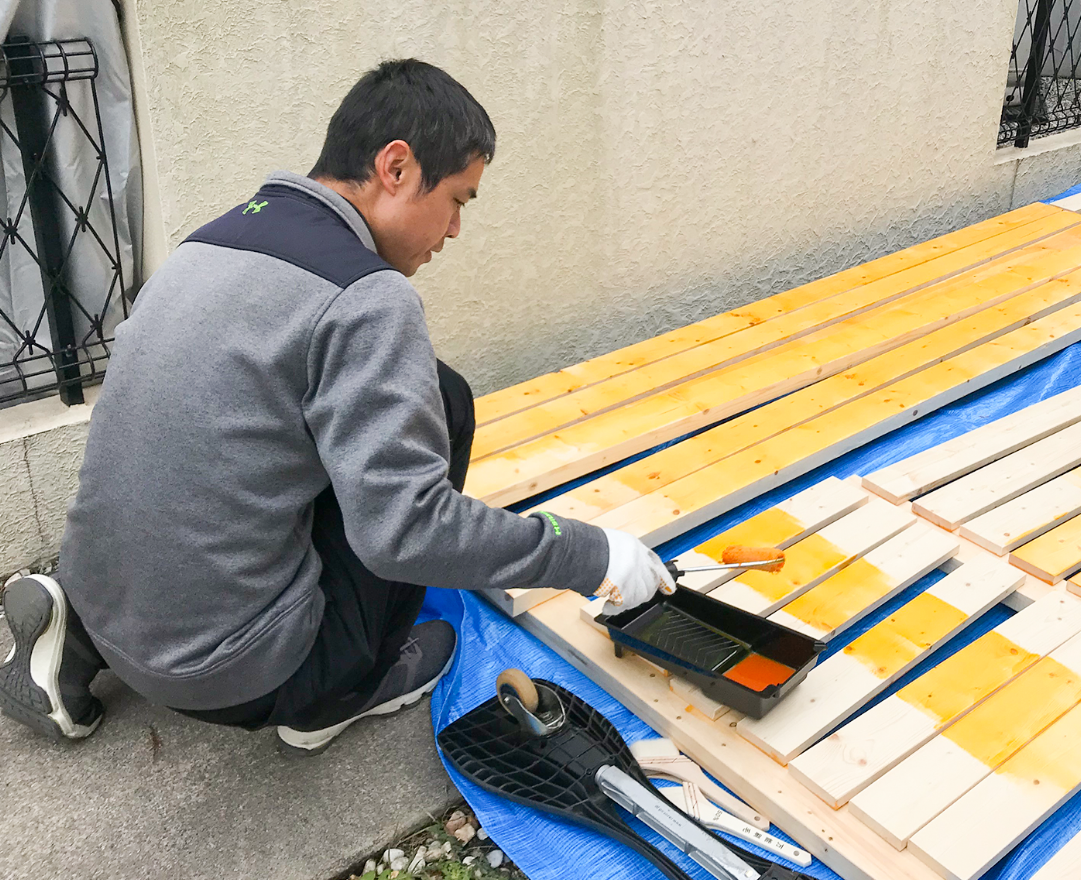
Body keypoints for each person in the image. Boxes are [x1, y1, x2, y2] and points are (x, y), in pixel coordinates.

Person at [0, 60, 674, 754]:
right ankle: (333, 695)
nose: (453, 232)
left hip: (105, 597)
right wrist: (587, 553)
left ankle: (75, 637)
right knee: (444, 401)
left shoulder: (210, 242)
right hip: (231, 674)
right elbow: (409, 532)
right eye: (459, 200)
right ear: (397, 167)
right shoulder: (365, 296)